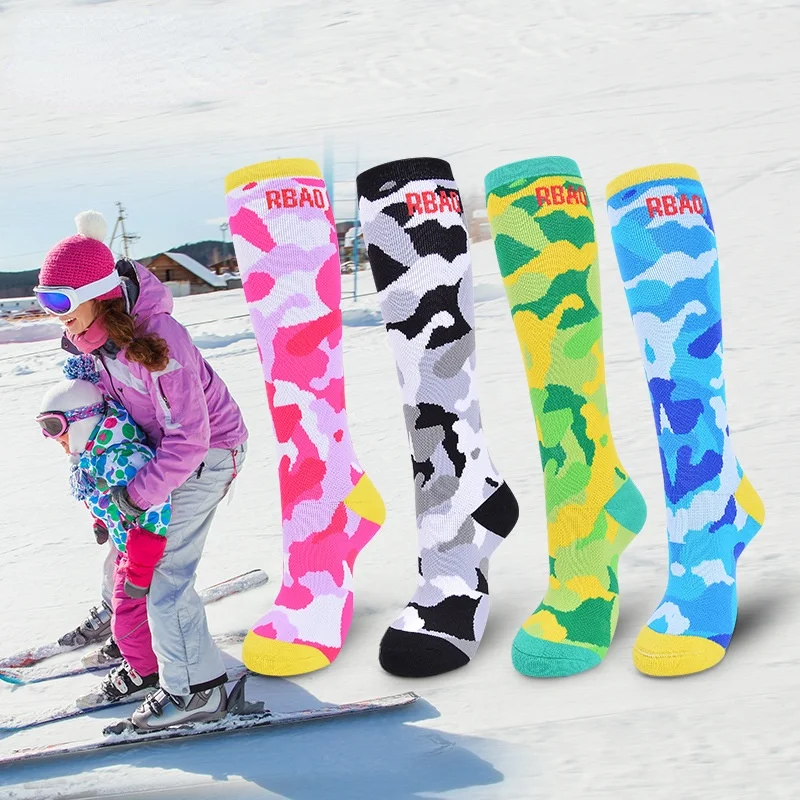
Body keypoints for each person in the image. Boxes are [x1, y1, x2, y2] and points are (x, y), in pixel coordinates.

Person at [34, 210, 249, 731]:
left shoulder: (158, 339)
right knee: (125, 550)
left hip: (208, 453)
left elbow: (191, 438)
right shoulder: (93, 342)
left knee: (163, 574)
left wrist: (137, 495)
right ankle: (143, 651)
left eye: (62, 302)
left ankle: (198, 691)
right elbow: (110, 415)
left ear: (99, 294)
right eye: (46, 302)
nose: (56, 316)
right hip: (161, 450)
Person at [38, 368, 169, 703]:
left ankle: (144, 672)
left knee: (127, 614)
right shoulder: (97, 453)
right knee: (126, 607)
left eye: (60, 433)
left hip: (144, 555)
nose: (59, 444)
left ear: (82, 420)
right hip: (130, 549)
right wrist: (101, 521)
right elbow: (101, 496)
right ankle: (135, 644)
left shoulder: (123, 458)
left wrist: (140, 564)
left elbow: (155, 511)